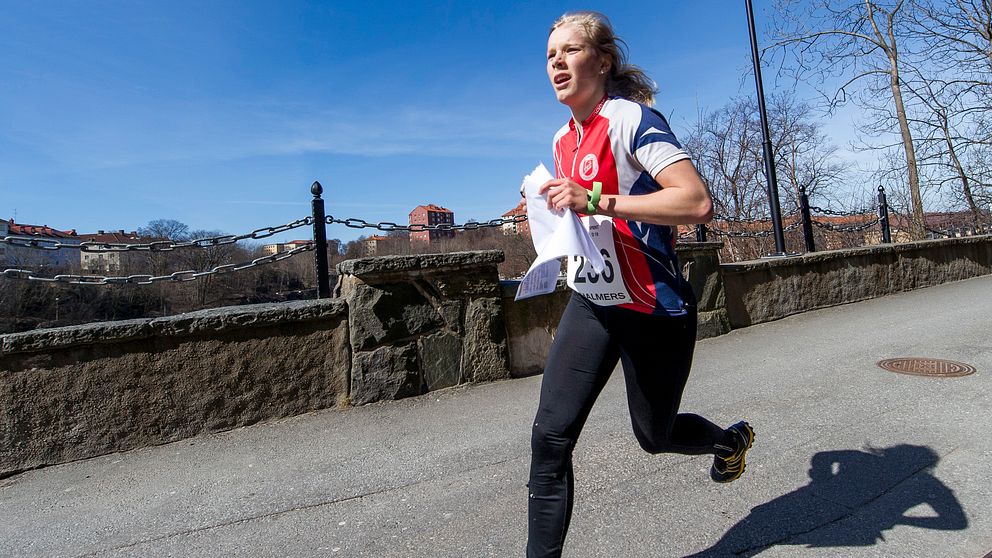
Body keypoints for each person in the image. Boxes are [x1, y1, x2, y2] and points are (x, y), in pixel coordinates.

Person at [526, 12, 754, 557]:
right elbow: (590, 219)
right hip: (595, 301)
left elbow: (695, 202)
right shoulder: (562, 139)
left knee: (654, 435)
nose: (556, 62)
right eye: (549, 55)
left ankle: (728, 440)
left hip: (654, 307)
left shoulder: (632, 120)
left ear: (602, 62)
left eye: (570, 51)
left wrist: (595, 200)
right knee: (549, 438)